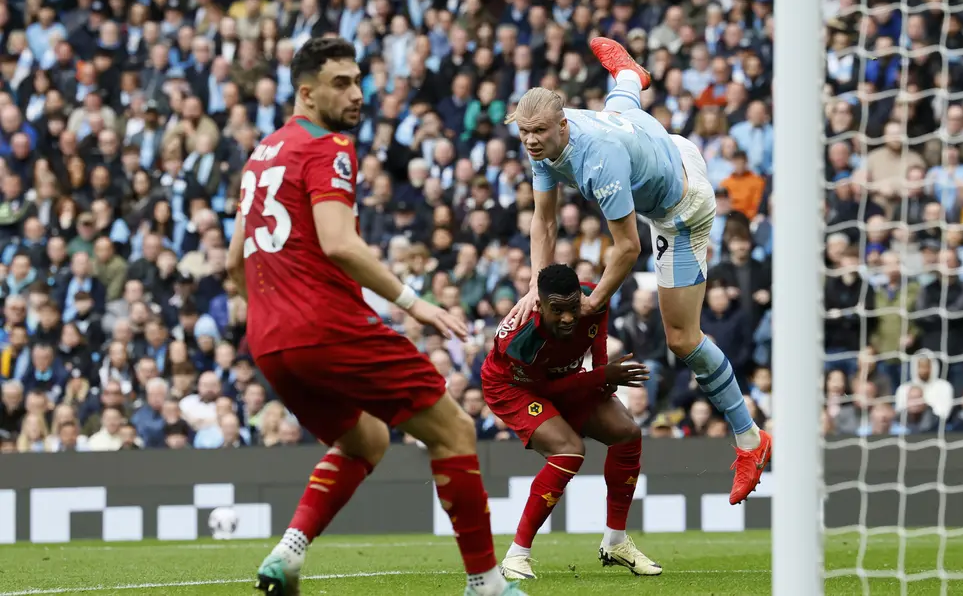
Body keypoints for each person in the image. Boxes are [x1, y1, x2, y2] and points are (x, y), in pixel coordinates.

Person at [227, 37, 526, 596]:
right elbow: (339, 244)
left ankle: (287, 555)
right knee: (455, 430)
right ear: (306, 92)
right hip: (326, 325)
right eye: (341, 83)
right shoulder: (329, 147)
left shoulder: (261, 154)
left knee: (366, 439)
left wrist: (276, 310)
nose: (358, 93)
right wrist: (418, 304)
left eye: (359, 80)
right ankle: (486, 583)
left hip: (269, 340)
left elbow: (231, 262)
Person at [506, 38, 772, 505]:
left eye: (538, 132)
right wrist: (534, 283)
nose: (530, 140)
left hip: (682, 208)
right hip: (664, 141)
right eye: (524, 131)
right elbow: (543, 219)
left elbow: (629, 248)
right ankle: (629, 75)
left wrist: (592, 303)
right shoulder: (544, 142)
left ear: (562, 125)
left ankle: (751, 439)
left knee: (682, 338)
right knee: (622, 106)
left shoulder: (597, 159)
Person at [483, 264, 660, 580]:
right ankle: (516, 556)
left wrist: (603, 370)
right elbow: (547, 390)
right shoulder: (520, 338)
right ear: (539, 303)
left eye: (574, 308)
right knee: (569, 450)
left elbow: (598, 325)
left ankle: (615, 542)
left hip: (563, 373)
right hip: (513, 386)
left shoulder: (593, 297)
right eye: (558, 310)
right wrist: (601, 375)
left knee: (627, 433)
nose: (568, 317)